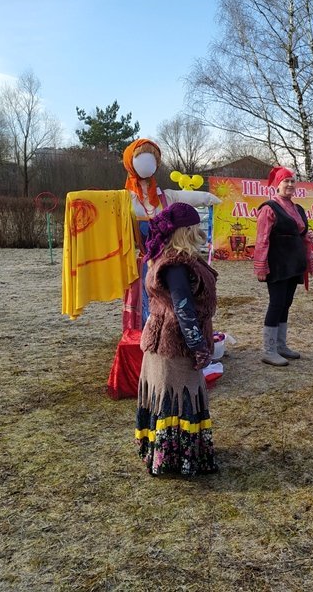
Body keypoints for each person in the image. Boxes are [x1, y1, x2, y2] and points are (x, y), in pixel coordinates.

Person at [134, 202, 219, 476]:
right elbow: (183, 309)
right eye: (195, 226)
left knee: (174, 398)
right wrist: (198, 347)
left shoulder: (175, 259)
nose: (200, 231)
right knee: (180, 398)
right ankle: (176, 459)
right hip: (173, 346)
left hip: (164, 342)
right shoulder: (175, 265)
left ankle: (169, 454)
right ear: (185, 230)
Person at [121, 138, 220, 330]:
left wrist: (211, 198)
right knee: (147, 303)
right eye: (141, 158)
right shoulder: (124, 199)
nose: (147, 163)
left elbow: (193, 197)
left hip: (168, 261)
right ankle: (147, 335)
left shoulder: (167, 196)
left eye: (152, 158)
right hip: (144, 263)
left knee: (171, 302)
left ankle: (171, 334)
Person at [254, 166, 313, 366]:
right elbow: (262, 239)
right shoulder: (269, 209)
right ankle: (268, 350)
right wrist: (261, 266)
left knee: (286, 303)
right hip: (277, 263)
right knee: (276, 303)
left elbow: (303, 236)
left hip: (294, 263)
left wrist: (309, 258)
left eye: (292, 181)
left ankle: (280, 346)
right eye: (286, 181)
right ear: (278, 184)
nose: (290, 184)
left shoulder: (298, 209)